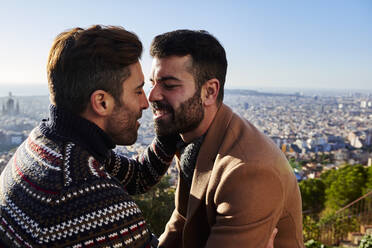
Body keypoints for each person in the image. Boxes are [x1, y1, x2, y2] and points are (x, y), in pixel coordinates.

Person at [0, 25, 179, 248]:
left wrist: (168, 130)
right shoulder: (96, 207)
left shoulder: (47, 143)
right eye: (138, 91)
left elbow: (136, 176)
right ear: (102, 102)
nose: (146, 102)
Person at [148, 30, 304, 248]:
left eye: (169, 85)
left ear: (210, 92)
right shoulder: (192, 138)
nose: (152, 95)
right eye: (153, 82)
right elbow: (183, 219)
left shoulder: (248, 171)